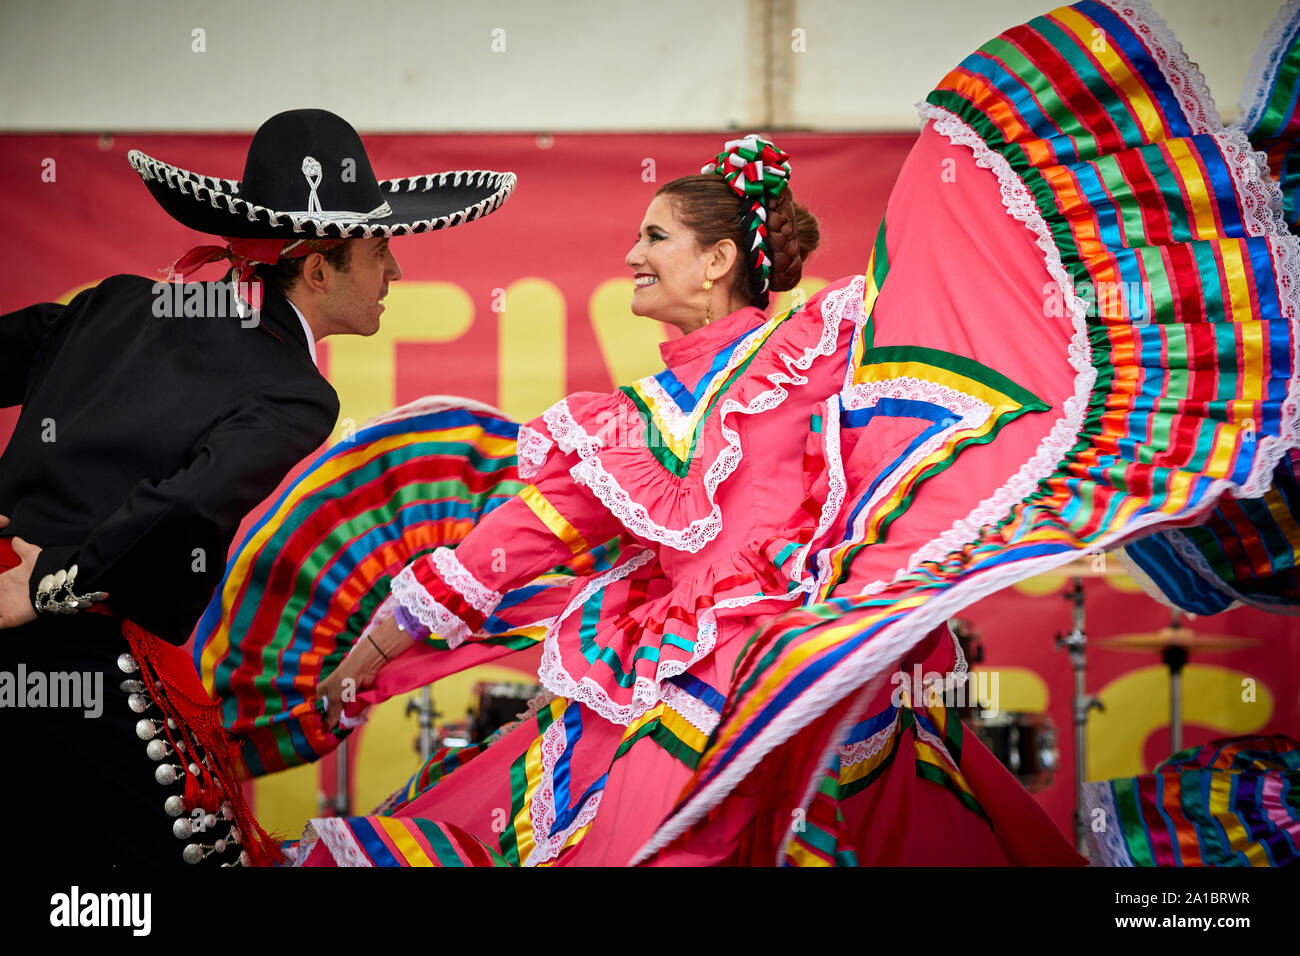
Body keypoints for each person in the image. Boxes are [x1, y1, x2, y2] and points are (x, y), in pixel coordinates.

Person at [300, 134, 1085, 867]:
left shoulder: (812, 345)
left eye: (654, 237)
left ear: (716, 259)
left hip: (798, 664)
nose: (631, 255)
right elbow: (495, 555)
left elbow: (946, 320)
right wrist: (362, 663)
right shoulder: (625, 427)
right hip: (689, 676)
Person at [0, 107, 516, 866]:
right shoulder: (295, 391)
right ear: (317, 268)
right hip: (81, 672)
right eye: (379, 249)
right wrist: (43, 582)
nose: (396, 272)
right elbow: (185, 505)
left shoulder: (115, 299)